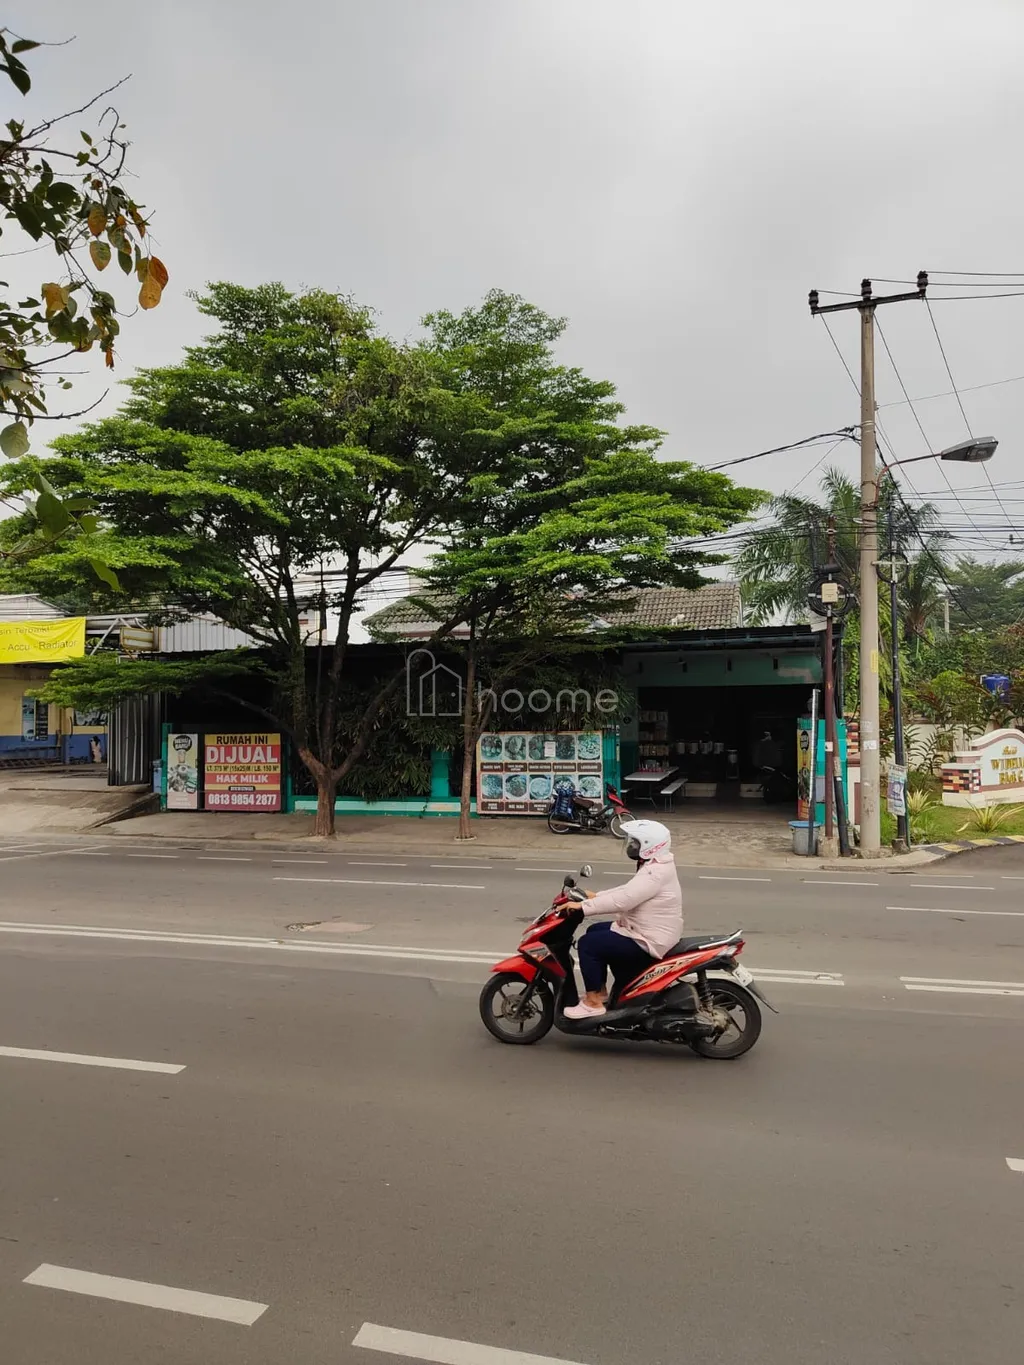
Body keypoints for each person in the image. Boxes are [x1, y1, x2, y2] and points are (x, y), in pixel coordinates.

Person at [563, 818, 683, 1019]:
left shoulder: (655, 871)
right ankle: (600, 992)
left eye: (636, 842)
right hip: (647, 930)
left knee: (588, 944)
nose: (631, 846)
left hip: (649, 938)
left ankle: (592, 1002)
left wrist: (583, 906)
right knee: (595, 931)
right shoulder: (657, 864)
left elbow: (624, 900)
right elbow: (630, 890)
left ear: (649, 846)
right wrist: (597, 896)